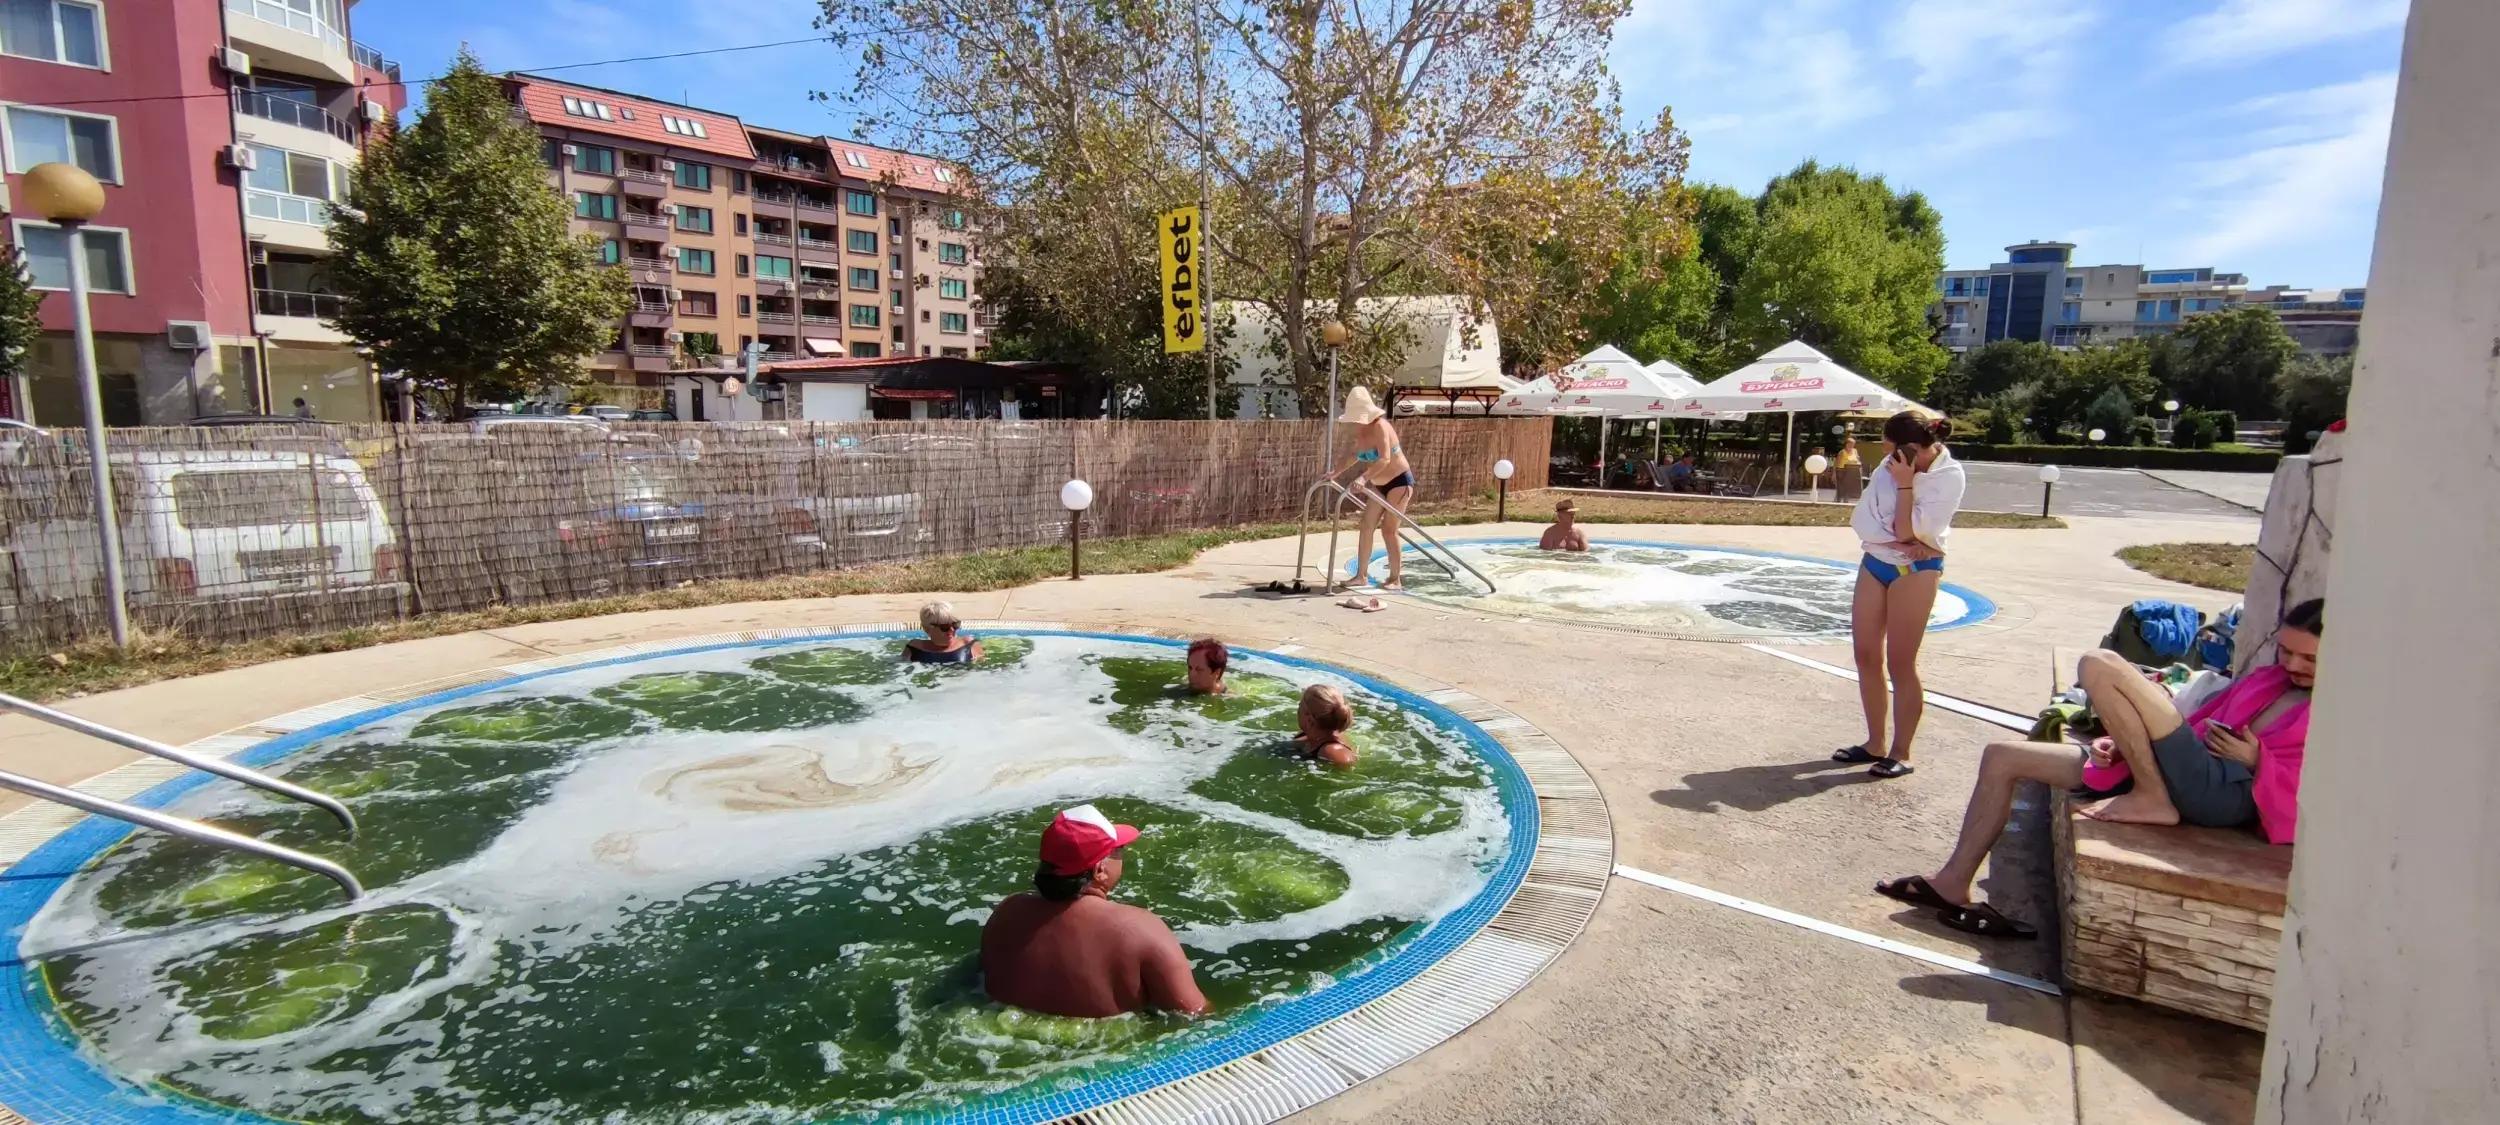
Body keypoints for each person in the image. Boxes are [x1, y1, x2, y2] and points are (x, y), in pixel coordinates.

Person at [1874, 600, 2324, 939]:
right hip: (2184, 770)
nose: (2292, 665)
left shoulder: (2345, 713)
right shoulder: (2269, 680)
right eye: (2286, 652)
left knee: (2099, 663)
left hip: (2222, 791)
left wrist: (2259, 761)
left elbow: (2323, 793)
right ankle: (1952, 882)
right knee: (2001, 755)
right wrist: (2124, 745)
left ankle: (2151, 795)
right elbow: (2197, 726)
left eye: (2309, 658)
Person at [981, 804, 1209, 1018]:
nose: (1122, 855)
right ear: (1099, 869)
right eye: (1118, 849)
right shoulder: (1140, 930)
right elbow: (1193, 1014)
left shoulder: (1006, 912)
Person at [1835, 411, 1967, 779]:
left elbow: (1912, 528)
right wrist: (1899, 538)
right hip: (1876, 561)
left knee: (1900, 662)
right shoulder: (1888, 467)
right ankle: (1874, 742)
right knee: (1865, 654)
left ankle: (1901, 751)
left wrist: (1907, 486)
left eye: (1892, 450)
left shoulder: (1948, 475)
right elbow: (1863, 520)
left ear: (1912, 449)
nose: (1886, 457)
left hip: (1916, 572)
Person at [1328, 386, 1415, 591]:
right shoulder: (1360, 431)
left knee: (1389, 530)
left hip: (1399, 482)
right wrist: (1335, 473)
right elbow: (1352, 456)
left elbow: (1385, 458)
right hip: (1378, 485)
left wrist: (1364, 477)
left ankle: (1395, 579)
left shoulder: (1380, 426)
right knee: (1366, 525)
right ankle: (1361, 575)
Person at [1293, 684, 1357, 769]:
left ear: (1309, 719)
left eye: (1300, 705)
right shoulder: (1306, 735)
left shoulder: (1334, 752)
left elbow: (1347, 771)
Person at [902, 601, 982, 664]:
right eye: (945, 627)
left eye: (955, 624)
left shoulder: (969, 644)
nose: (952, 629)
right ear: (927, 628)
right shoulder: (914, 648)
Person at [1835, 435, 1864, 502]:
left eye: (1853, 444)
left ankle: (1846, 500)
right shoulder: (1842, 452)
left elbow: (1857, 459)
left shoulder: (1855, 451)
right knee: (1841, 486)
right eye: (1850, 444)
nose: (1852, 445)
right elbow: (1836, 463)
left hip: (1851, 471)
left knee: (1848, 486)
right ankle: (1838, 500)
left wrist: (1858, 462)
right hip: (1841, 470)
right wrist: (1834, 473)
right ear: (1847, 444)